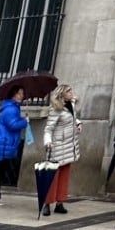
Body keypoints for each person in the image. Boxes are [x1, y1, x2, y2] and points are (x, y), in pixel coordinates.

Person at [40, 83, 78, 217]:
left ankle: (60, 202)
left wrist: (78, 124)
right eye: (68, 91)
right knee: (53, 177)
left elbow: (72, 120)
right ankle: (47, 204)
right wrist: (47, 141)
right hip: (56, 145)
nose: (71, 92)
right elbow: (49, 128)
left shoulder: (71, 106)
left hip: (68, 145)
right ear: (62, 94)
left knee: (64, 176)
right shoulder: (56, 109)